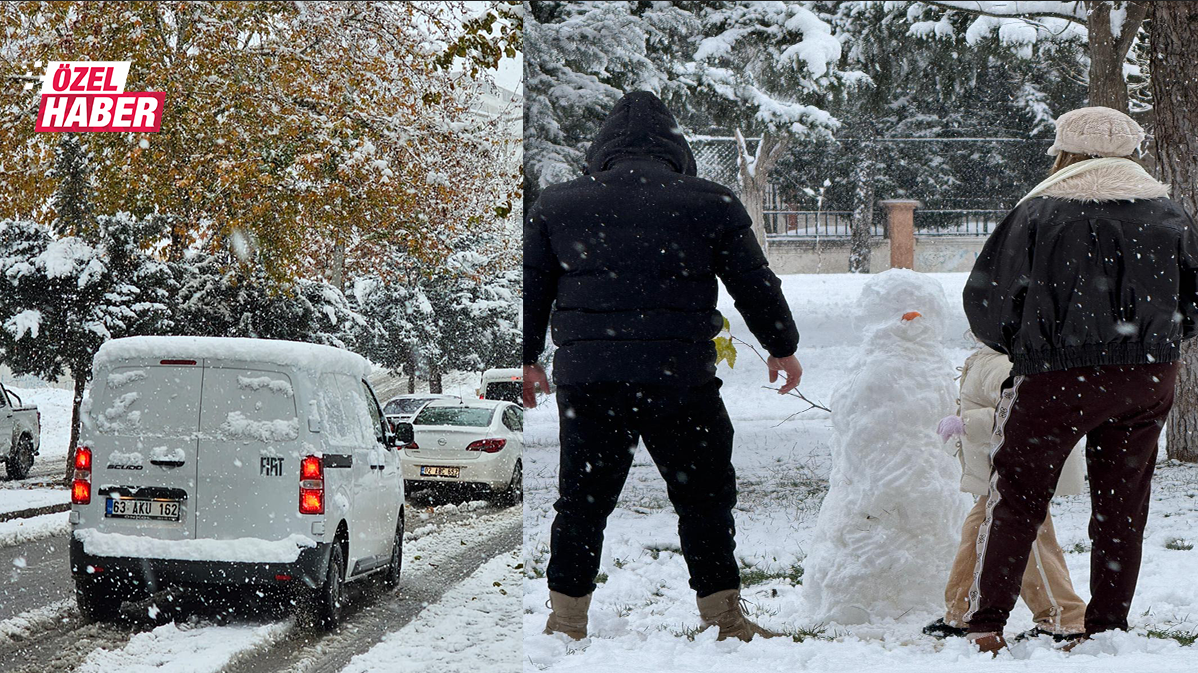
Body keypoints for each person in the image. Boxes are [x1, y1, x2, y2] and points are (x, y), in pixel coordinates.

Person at [523, 91, 803, 642]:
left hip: (591, 380)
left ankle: (566, 620)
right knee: (704, 498)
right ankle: (723, 617)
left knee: (581, 502)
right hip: (682, 381)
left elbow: (532, 288)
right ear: (677, 150)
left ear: (602, 150)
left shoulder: (558, 205)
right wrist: (781, 344)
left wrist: (528, 358)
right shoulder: (710, 202)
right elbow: (754, 282)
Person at [961, 106, 1198, 654]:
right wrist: (1153, 345)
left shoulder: (1038, 213)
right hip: (1146, 377)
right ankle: (1107, 627)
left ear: (1064, 154)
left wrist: (1020, 345)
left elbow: (988, 300)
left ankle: (987, 624)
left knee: (1016, 495)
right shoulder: (1168, 213)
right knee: (1123, 502)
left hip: (1054, 376)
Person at [924, 344, 1087, 642]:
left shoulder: (1002, 361)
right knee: (979, 533)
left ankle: (1063, 616)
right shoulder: (990, 357)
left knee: (1030, 540)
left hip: (1020, 468)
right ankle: (963, 612)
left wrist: (966, 423)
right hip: (1004, 468)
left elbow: (1025, 409)